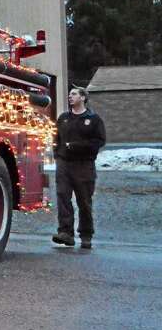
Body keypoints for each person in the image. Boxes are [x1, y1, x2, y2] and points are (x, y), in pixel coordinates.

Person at [52, 87, 106, 249]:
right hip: (64, 164)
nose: (70, 96)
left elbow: (99, 141)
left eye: (74, 94)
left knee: (84, 201)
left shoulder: (93, 119)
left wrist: (77, 146)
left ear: (83, 98)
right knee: (63, 197)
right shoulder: (63, 118)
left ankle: (86, 235)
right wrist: (58, 154)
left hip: (84, 165)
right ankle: (65, 233)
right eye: (69, 94)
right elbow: (56, 138)